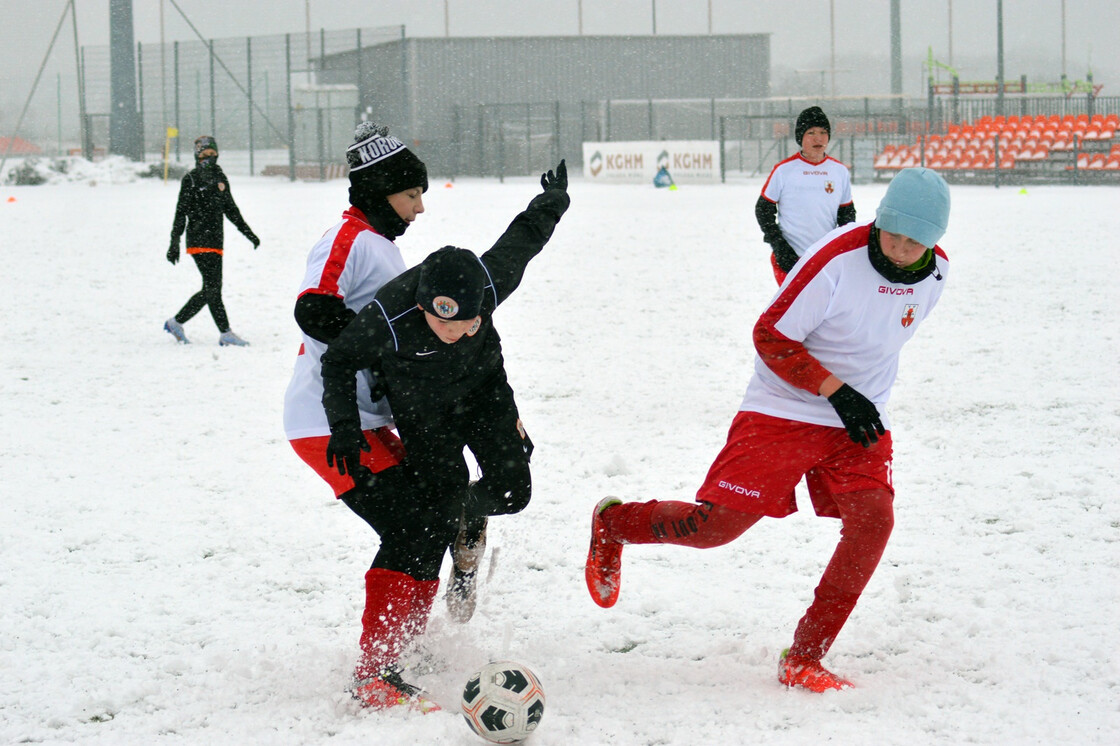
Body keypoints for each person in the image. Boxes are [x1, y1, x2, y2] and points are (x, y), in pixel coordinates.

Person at [586, 167, 950, 693]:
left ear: (934, 241)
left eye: (913, 240)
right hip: (784, 407)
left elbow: (880, 338)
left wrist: (858, 399)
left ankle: (805, 656)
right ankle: (615, 524)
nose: (898, 246)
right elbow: (770, 336)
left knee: (874, 522)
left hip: (859, 418)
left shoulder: (937, 274)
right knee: (718, 528)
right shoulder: (832, 261)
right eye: (891, 231)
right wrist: (834, 389)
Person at [317, 160, 569, 711]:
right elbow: (337, 364)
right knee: (434, 500)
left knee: (513, 490)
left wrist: (553, 202)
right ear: (422, 308)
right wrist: (343, 428)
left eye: (469, 325)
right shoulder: (388, 314)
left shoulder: (488, 281)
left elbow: (521, 243)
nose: (457, 334)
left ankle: (468, 518)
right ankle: (455, 537)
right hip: (425, 416)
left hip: (485, 396)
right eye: (444, 326)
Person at [282, 122, 434, 707]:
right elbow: (314, 310)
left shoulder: (382, 244)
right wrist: (381, 352)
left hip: (367, 421)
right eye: (412, 195)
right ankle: (376, 672)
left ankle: (404, 652)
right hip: (327, 423)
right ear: (380, 190)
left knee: (430, 519)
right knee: (409, 526)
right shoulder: (349, 238)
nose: (420, 208)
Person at [164, 135, 260, 346]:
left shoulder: (220, 178)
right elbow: (180, 213)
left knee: (212, 289)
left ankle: (178, 323)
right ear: (198, 156)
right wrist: (174, 243)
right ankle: (222, 332)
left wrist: (248, 233)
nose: (210, 158)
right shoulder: (190, 179)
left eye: (213, 154)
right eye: (205, 155)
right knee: (212, 289)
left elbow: (231, 210)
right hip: (198, 240)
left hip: (216, 241)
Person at [755, 106, 856, 285]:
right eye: (811, 132)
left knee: (826, 311)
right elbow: (763, 209)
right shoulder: (784, 170)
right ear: (800, 137)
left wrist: (843, 250)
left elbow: (846, 215)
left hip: (825, 259)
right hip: (791, 260)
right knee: (797, 311)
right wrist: (779, 246)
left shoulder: (839, 171)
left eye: (823, 132)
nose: (818, 138)